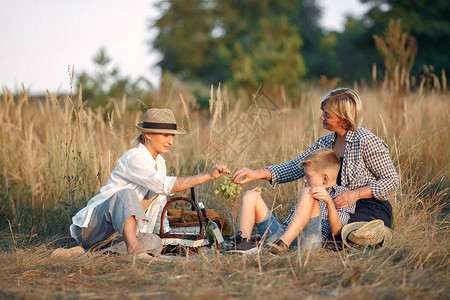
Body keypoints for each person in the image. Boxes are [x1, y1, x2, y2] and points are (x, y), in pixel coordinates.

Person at [232, 88, 399, 249]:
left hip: (367, 207)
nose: (321, 117)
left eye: (327, 115)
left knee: (347, 244)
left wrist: (355, 194)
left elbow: (391, 180)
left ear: (345, 120)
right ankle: (260, 243)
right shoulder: (324, 143)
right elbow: (295, 166)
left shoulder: (367, 141)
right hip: (331, 204)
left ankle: (286, 244)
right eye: (323, 112)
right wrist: (257, 174)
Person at [70, 108, 229, 258]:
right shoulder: (135, 157)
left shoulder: (160, 164)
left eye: (172, 136)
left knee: (155, 241)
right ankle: (134, 250)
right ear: (148, 134)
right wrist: (208, 175)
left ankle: (89, 254)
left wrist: (177, 245)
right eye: (165, 135)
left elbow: (161, 211)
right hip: (94, 228)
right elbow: (165, 186)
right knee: (126, 194)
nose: (170, 141)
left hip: (119, 235)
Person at [230, 149, 355, 253]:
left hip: (308, 241)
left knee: (307, 193)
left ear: (325, 178)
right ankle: (243, 243)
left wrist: (329, 203)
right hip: (282, 233)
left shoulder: (342, 195)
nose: (305, 180)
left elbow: (338, 232)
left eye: (308, 176)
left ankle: (282, 245)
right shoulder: (307, 190)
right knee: (250, 195)